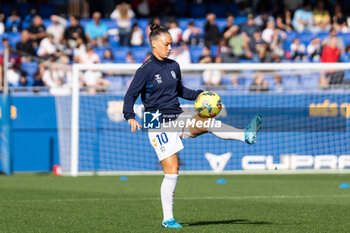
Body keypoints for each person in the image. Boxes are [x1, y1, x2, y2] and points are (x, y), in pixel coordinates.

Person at [123, 24, 262, 228]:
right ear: (154, 44)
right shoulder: (145, 70)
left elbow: (180, 90)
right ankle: (167, 219)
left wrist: (199, 94)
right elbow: (130, 95)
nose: (170, 48)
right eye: (166, 44)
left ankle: (245, 135)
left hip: (177, 115)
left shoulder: (173, 66)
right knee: (172, 171)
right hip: (157, 122)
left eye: (171, 44)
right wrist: (130, 116)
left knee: (208, 122)